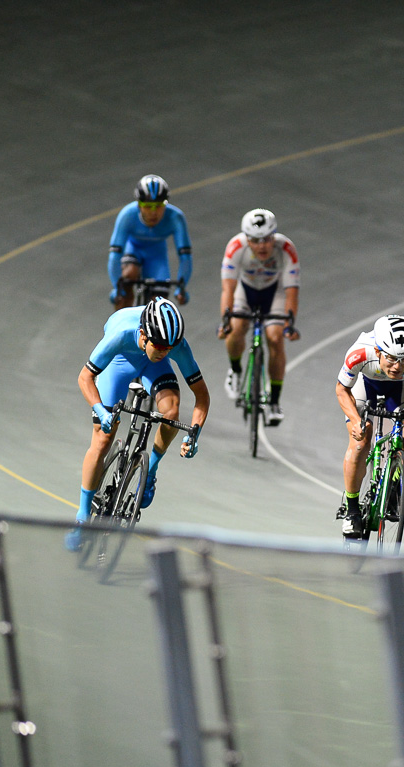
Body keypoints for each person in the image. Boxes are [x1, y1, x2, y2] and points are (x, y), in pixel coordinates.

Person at [66, 296, 210, 551]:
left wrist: (194, 434)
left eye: (170, 348)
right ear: (144, 334)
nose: (167, 351)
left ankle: (150, 470)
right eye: (161, 347)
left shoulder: (174, 343)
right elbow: (85, 377)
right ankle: (82, 515)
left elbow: (201, 396)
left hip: (154, 368)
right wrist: (100, 411)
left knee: (171, 411)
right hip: (121, 361)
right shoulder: (122, 334)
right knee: (102, 439)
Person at [335, 315, 404, 538]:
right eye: (391, 359)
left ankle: (393, 488)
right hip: (366, 386)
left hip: (402, 389)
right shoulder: (359, 354)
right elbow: (342, 389)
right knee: (361, 441)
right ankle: (352, 510)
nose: (397, 366)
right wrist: (355, 420)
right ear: (378, 351)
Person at [218, 208, 301, 425]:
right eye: (255, 240)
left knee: (275, 337)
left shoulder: (286, 249)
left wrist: (289, 324)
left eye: (266, 239)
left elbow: (292, 290)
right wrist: (225, 320)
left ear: (274, 236)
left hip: (274, 294)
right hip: (244, 292)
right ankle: (235, 370)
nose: (262, 245)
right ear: (247, 238)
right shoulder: (235, 248)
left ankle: (274, 401)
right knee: (236, 327)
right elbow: (228, 289)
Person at [107, 175, 193, 310]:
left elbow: (185, 257)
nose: (153, 212)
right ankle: (118, 327)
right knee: (128, 278)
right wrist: (117, 287)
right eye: (147, 206)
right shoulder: (127, 215)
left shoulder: (176, 218)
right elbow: (115, 256)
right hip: (134, 249)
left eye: (159, 206)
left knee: (159, 306)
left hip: (157, 257)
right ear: (139, 205)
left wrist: (181, 288)